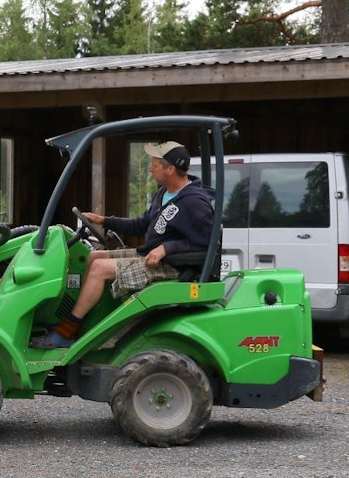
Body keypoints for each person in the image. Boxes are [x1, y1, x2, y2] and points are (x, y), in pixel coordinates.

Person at [31, 141, 215, 349]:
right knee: (93, 257)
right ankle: (80, 320)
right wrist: (105, 220)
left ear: (170, 169)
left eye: (154, 164)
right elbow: (142, 225)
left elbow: (207, 244)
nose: (150, 169)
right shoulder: (163, 194)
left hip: (174, 266)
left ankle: (67, 331)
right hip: (151, 256)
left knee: (100, 269)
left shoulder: (194, 202)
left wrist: (167, 248)